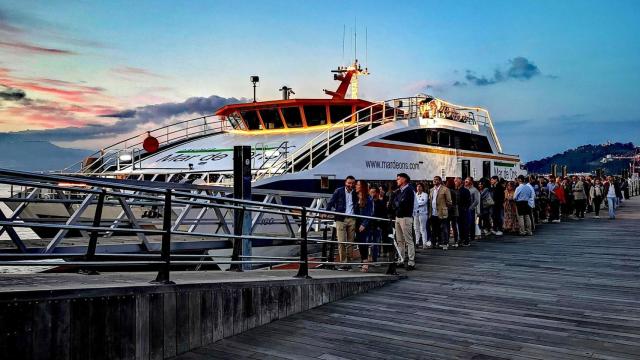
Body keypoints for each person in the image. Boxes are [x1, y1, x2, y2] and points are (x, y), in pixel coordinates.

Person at [326, 175, 358, 270]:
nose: (350, 185)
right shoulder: (339, 191)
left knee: (350, 242)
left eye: (352, 183)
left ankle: (349, 261)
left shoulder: (355, 192)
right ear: (345, 182)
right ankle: (344, 262)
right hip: (340, 218)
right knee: (341, 241)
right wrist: (326, 212)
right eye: (349, 183)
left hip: (352, 219)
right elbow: (331, 202)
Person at [394, 173, 416, 270]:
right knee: (399, 240)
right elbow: (395, 202)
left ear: (404, 179)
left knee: (408, 240)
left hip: (406, 217)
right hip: (398, 217)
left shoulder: (409, 190)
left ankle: (411, 262)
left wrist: (397, 203)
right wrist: (397, 203)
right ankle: (401, 259)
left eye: (398, 179)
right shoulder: (399, 191)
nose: (397, 180)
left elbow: (402, 203)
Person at [428, 176, 452, 250]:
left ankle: (445, 243)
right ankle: (434, 243)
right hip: (433, 212)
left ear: (440, 181)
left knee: (444, 228)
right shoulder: (431, 190)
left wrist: (445, 208)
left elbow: (449, 201)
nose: (435, 181)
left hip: (442, 212)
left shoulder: (445, 189)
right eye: (434, 180)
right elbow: (430, 201)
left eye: (436, 180)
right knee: (434, 229)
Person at [354, 180, 373, 272]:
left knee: (364, 242)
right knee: (359, 242)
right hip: (356, 222)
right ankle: (363, 259)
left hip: (364, 224)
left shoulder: (368, 198)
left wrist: (364, 224)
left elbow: (370, 213)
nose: (356, 186)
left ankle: (365, 261)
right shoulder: (355, 196)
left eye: (357, 185)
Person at [454, 177, 470, 247]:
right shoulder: (457, 190)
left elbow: (468, 201)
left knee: (464, 226)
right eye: (455, 181)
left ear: (460, 182)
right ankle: (462, 239)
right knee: (460, 226)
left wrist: (465, 208)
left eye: (456, 181)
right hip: (459, 210)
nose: (455, 183)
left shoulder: (465, 191)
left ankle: (466, 241)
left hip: (463, 210)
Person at [413, 183, 429, 249]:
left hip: (423, 213)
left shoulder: (425, 194)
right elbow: (413, 203)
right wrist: (416, 204)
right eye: (417, 186)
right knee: (416, 228)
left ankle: (424, 243)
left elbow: (423, 202)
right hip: (416, 213)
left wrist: (416, 204)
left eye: (420, 186)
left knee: (423, 228)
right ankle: (417, 242)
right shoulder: (415, 194)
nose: (418, 188)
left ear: (422, 188)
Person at [465, 177, 481, 242]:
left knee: (472, 223)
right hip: (465, 208)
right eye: (465, 180)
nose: (465, 181)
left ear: (471, 181)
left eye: (467, 180)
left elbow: (476, 201)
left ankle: (472, 236)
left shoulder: (475, 190)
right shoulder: (464, 189)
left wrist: (471, 208)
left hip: (471, 209)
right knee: (466, 223)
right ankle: (467, 235)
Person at [446, 178, 460, 246]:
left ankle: (447, 241)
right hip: (455, 210)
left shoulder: (448, 191)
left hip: (449, 210)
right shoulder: (455, 191)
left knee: (447, 226)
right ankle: (456, 241)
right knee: (454, 226)